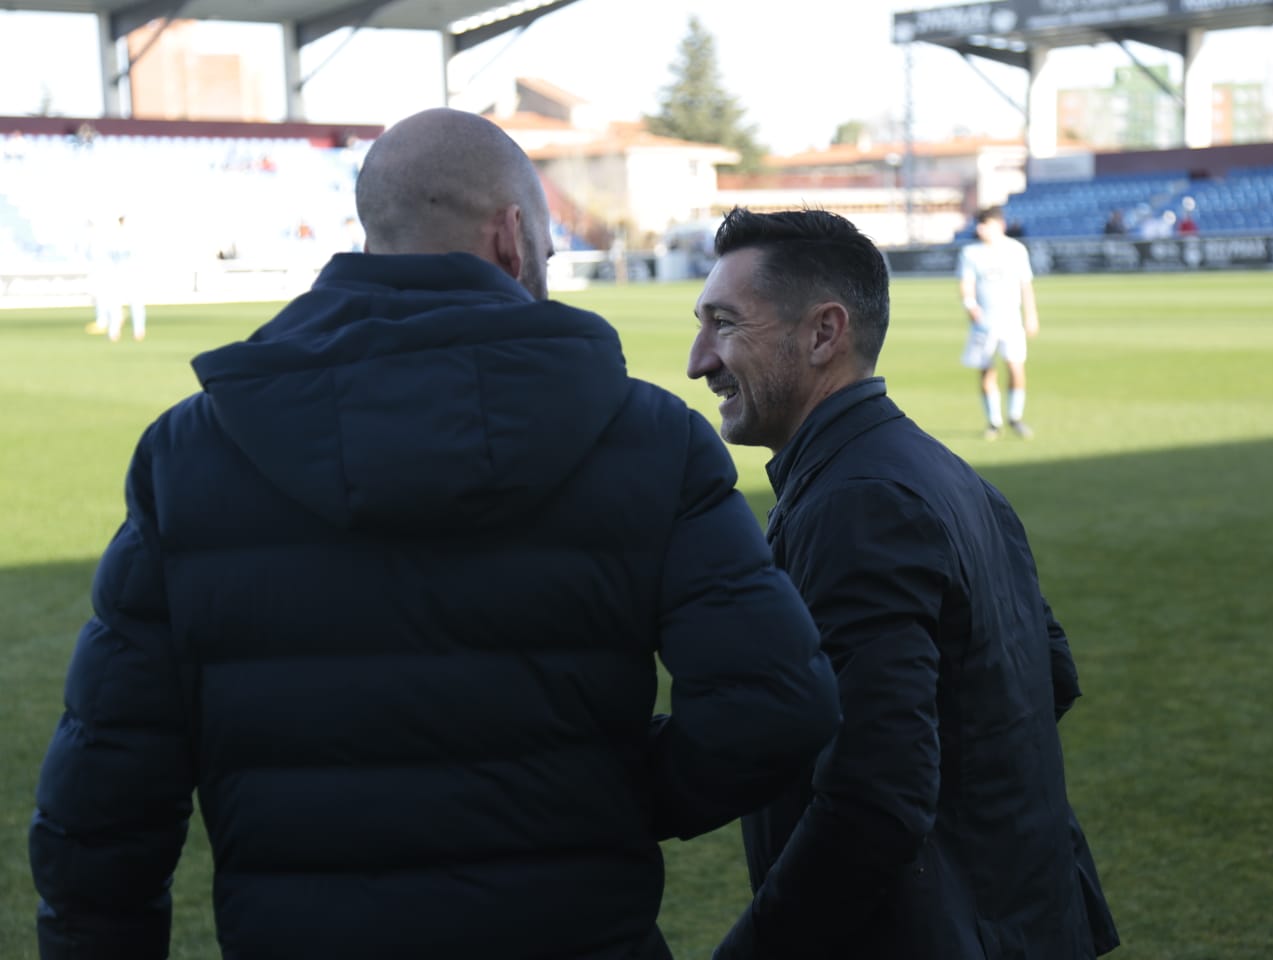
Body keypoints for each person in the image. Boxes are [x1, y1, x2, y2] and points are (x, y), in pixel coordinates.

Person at [29, 109, 841, 959]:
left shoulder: (187, 453)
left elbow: (103, 807)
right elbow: (776, 706)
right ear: (512, 237)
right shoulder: (651, 439)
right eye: (551, 258)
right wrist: (606, 797)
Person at [687, 207, 1119, 960]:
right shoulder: (940, 471)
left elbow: (874, 800)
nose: (699, 361)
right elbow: (1048, 673)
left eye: (724, 325)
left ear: (825, 333)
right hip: (1023, 920)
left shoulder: (858, 502)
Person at [958, 205, 1038, 440]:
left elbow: (1026, 285)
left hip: (1011, 320)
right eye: (979, 225)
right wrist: (970, 305)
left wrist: (1031, 315)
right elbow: (966, 283)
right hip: (984, 323)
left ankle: (1015, 416)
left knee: (1015, 367)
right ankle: (994, 421)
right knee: (986, 370)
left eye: (986, 224)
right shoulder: (971, 253)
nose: (981, 229)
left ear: (999, 225)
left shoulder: (1016, 250)